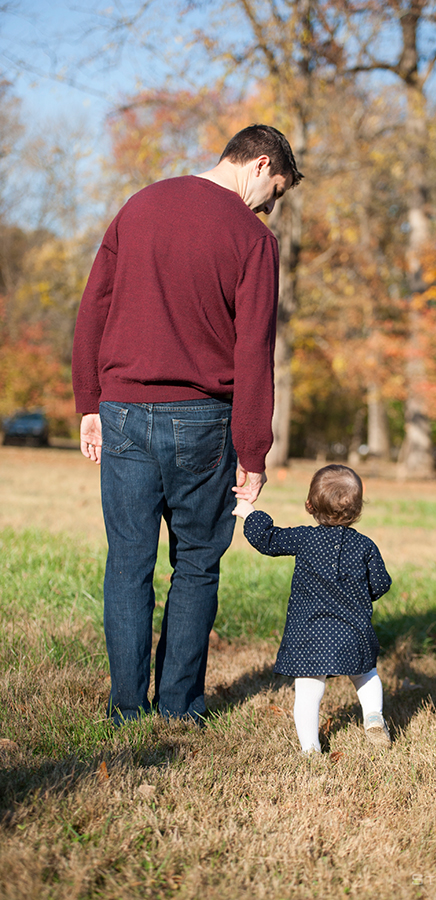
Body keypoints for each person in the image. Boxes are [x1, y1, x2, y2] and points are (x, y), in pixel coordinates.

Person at [72, 124, 303, 725]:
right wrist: (253, 452)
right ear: (258, 164)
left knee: (127, 564)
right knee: (197, 563)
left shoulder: (141, 204)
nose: (268, 207)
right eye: (273, 192)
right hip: (203, 419)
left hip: (122, 410)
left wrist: (89, 401)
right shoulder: (253, 239)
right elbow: (254, 352)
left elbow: (93, 304)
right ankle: (178, 708)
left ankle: (127, 709)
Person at [233, 464, 392, 753]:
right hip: (352, 629)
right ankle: (372, 715)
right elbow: (381, 583)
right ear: (357, 511)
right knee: (366, 674)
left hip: (310, 632)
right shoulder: (365, 546)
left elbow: (268, 540)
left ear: (309, 505)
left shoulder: (305, 539)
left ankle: (310, 750)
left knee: (308, 692)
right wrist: (359, 598)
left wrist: (251, 514)